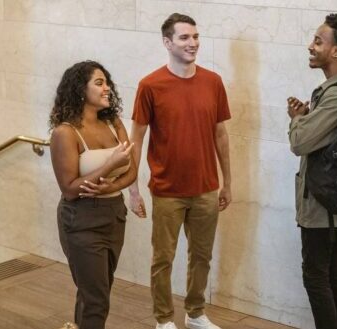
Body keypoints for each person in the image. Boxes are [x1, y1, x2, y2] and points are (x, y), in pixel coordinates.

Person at [128, 13, 232, 329]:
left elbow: (221, 135)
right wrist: (132, 188)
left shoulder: (213, 82)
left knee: (202, 257)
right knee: (163, 260)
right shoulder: (150, 85)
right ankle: (163, 321)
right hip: (166, 191)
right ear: (167, 42)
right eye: (185, 38)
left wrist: (228, 183)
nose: (193, 43)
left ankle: (196, 314)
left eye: (196, 37)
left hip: (205, 188)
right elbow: (136, 139)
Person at [286, 12, 337, 329]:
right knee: (334, 274)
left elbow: (299, 142)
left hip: (322, 204)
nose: (311, 46)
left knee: (317, 277)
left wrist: (296, 119)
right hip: (332, 202)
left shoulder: (336, 94)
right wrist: (306, 115)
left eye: (319, 41)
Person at [49, 60, 137, 329]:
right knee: (97, 299)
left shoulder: (113, 123)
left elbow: (132, 171)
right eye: (99, 83)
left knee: (96, 291)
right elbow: (70, 188)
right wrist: (109, 166)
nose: (107, 88)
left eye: (107, 82)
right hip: (81, 220)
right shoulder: (65, 132)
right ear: (79, 90)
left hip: (114, 216)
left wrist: (109, 187)